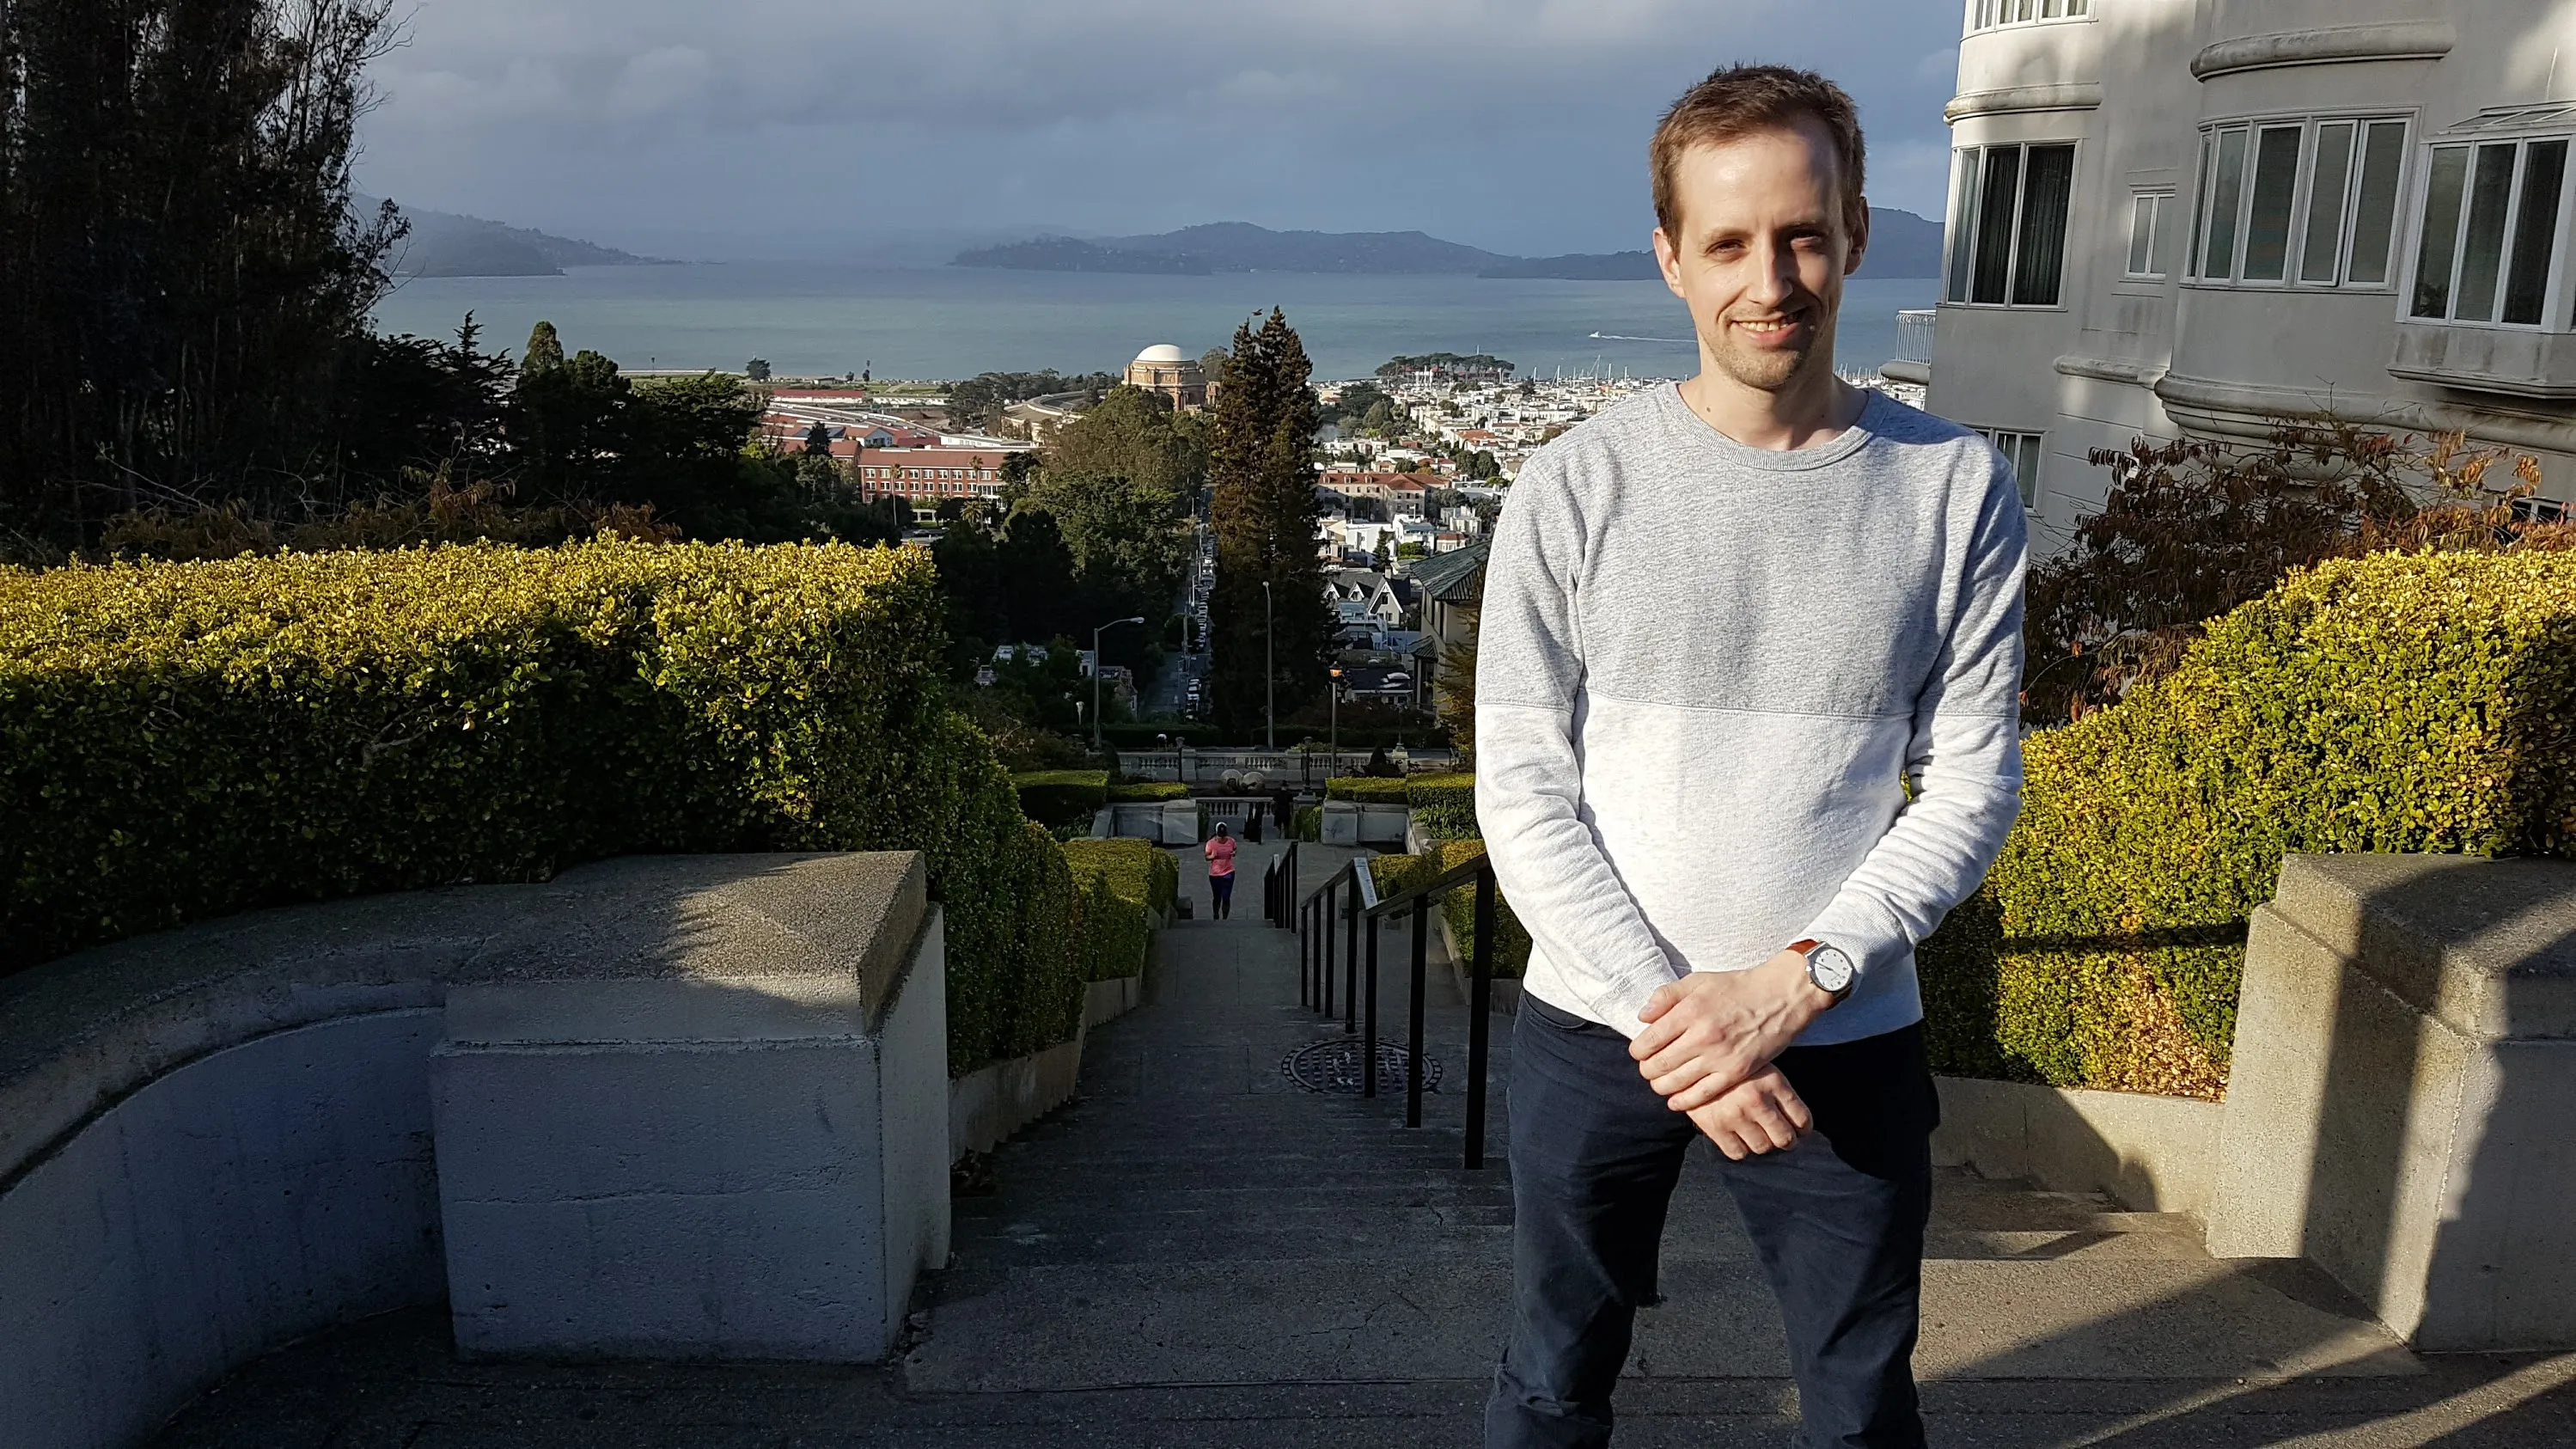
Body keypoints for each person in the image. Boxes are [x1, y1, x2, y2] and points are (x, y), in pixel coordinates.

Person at [1474, 64, 2027, 1449]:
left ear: (1854, 235)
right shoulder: (1573, 485)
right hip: (1601, 1026)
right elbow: (1523, 787)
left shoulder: (1952, 486)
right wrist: (1688, 1026)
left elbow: (1970, 781)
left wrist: (1797, 981)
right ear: (1671, 257)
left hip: (1838, 1024)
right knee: (1550, 1379)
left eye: (1800, 235)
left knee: (1858, 1404)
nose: (1768, 281)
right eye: (1726, 242)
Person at [1203, 822, 1237, 920]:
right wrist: (1212, 856)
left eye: (1223, 836)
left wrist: (1233, 853)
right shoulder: (1210, 843)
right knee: (1217, 897)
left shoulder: (1231, 841)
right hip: (1215, 874)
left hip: (1228, 872)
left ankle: (1225, 918)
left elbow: (1234, 849)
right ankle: (1216, 915)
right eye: (1220, 836)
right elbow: (1207, 857)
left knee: (1226, 897)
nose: (1222, 838)